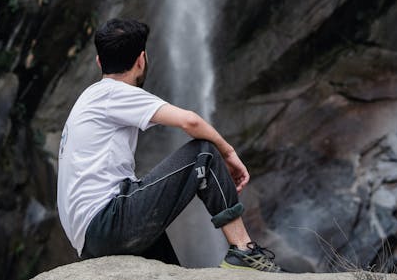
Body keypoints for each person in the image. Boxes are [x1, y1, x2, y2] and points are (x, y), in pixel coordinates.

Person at [57, 18, 281, 272]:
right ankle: (244, 251)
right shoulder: (113, 93)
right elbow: (190, 121)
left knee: (169, 265)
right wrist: (228, 152)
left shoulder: (88, 98)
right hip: (107, 223)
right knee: (204, 153)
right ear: (141, 60)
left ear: (99, 62)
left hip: (89, 239)